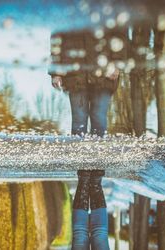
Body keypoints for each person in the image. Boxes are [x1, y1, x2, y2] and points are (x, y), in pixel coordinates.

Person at [49, 28, 126, 250]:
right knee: (80, 123)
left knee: (99, 119)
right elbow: (57, 35)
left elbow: (119, 31)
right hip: (76, 71)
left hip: (102, 70)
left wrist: (117, 62)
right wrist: (57, 71)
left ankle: (91, 178)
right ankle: (89, 178)